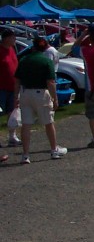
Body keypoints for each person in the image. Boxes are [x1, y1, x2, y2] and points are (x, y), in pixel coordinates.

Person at [14, 34, 68, 163]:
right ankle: (54, 149)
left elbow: (17, 80)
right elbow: (50, 82)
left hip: (25, 92)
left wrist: (16, 96)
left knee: (26, 124)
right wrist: (55, 98)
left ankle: (25, 155)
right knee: (48, 123)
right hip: (41, 93)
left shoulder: (24, 60)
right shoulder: (46, 61)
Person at [0, 28, 21, 147]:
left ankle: (12, 136)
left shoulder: (12, 50)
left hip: (13, 87)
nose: (15, 39)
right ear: (6, 38)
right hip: (1, 87)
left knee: (12, 112)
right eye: (13, 37)